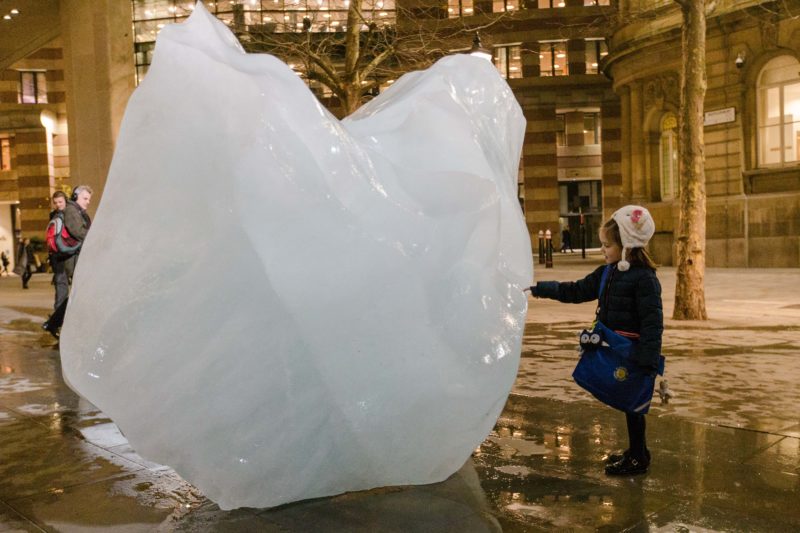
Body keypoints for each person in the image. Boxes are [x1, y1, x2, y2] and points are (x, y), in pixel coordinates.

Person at [525, 205, 663, 476]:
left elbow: (652, 323)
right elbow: (576, 290)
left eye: (607, 245)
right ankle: (638, 451)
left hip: (633, 352)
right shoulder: (607, 272)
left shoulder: (645, 279)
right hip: (614, 349)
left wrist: (648, 360)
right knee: (628, 403)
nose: (603, 250)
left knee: (634, 405)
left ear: (627, 246)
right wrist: (542, 289)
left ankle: (638, 456)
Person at [43, 185, 93, 338]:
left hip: (71, 256)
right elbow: (77, 231)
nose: (88, 202)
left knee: (76, 292)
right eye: (85, 198)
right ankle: (55, 323)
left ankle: (55, 323)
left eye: (89, 199)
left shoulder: (76, 210)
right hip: (69, 258)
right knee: (71, 291)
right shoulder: (71, 210)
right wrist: (95, 235)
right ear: (76, 196)